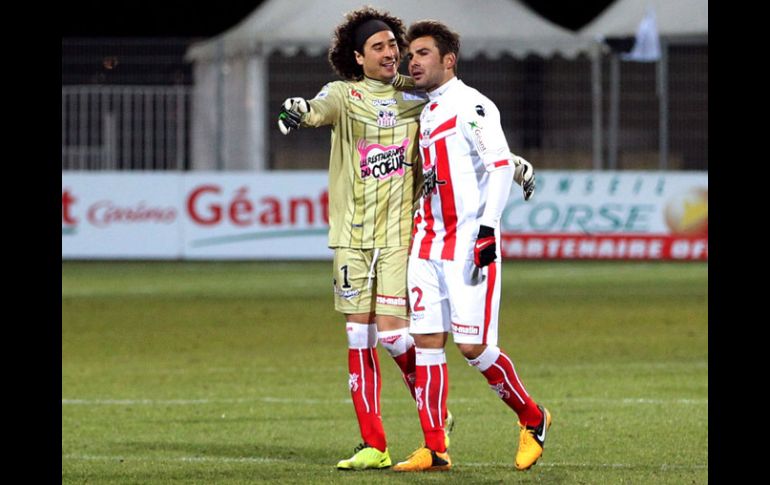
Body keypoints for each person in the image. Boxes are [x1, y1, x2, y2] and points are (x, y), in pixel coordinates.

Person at [276, 6, 452, 471]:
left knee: (394, 338)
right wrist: (298, 110)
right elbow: (315, 111)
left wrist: (507, 162)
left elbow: (464, 126)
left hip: (398, 236)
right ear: (358, 57)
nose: (391, 52)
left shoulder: (417, 97)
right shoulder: (343, 94)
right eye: (379, 46)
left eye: (394, 44)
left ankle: (436, 421)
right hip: (352, 239)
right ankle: (374, 444)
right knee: (359, 335)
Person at [391, 20, 548, 472]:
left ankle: (534, 419)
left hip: (466, 244)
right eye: (410, 55)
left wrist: (486, 230)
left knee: (473, 348)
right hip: (427, 241)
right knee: (425, 343)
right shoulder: (428, 110)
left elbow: (499, 167)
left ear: (448, 60)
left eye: (422, 54)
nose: (412, 62)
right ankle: (435, 447)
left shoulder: (472, 105)